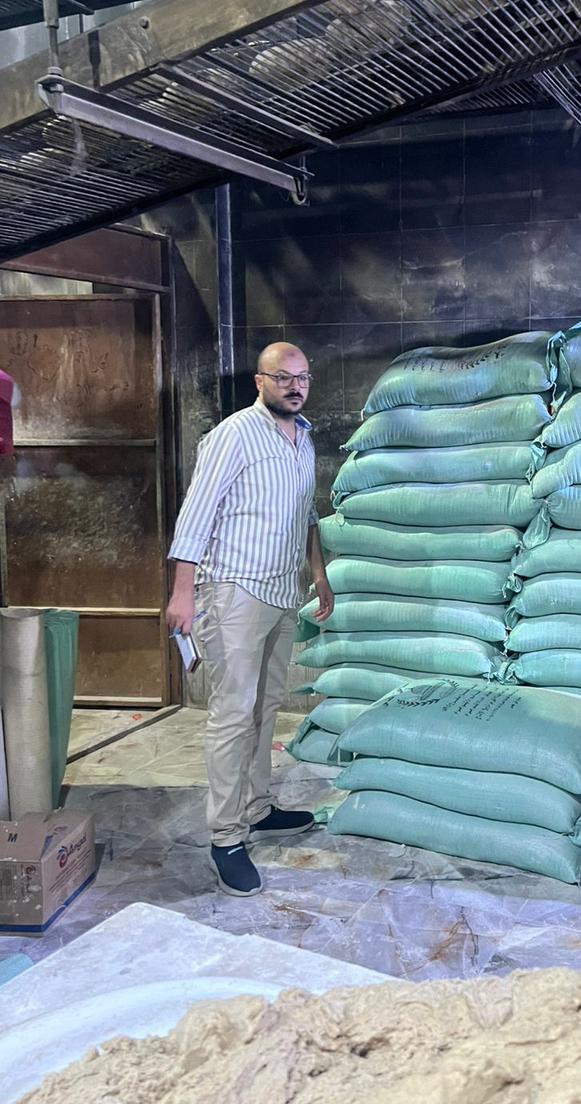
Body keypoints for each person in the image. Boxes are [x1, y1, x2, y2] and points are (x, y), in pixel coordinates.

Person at [166, 342, 335, 897]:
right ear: (260, 381)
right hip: (233, 590)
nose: (295, 386)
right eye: (283, 377)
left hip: (282, 589)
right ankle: (226, 837)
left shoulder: (303, 438)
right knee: (233, 714)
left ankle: (258, 807)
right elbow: (196, 513)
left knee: (265, 706)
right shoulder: (234, 434)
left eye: (302, 377)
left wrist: (319, 573)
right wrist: (182, 593)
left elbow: (306, 513)